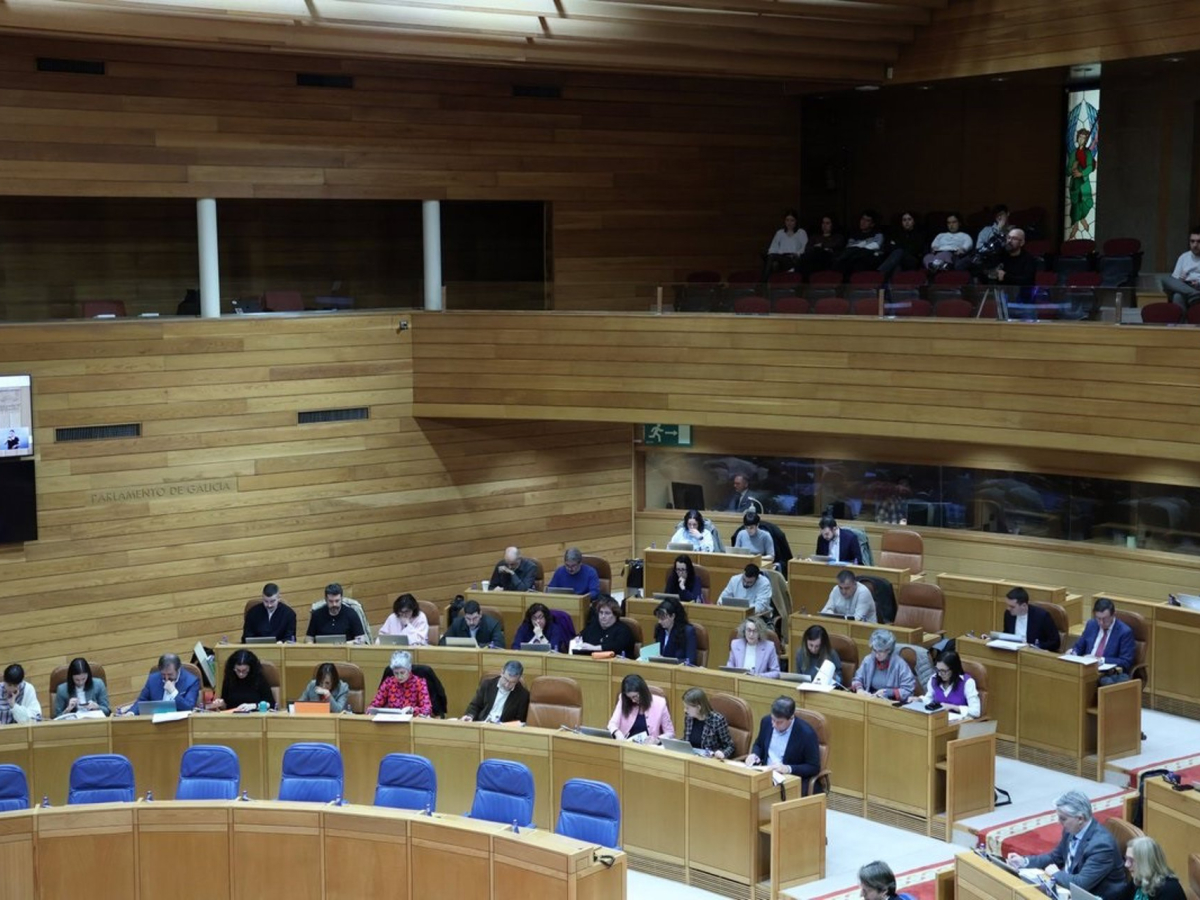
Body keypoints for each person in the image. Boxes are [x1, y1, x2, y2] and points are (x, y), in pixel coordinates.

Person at [1006, 790, 1126, 900]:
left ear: (1080, 818)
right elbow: (1055, 857)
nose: (1059, 822)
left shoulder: (1101, 846)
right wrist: (1024, 862)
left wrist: (1056, 873)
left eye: (1063, 819)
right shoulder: (1072, 829)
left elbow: (1081, 884)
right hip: (1069, 889)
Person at [746, 696, 820, 792]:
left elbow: (813, 767)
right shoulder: (766, 721)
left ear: (791, 718)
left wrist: (787, 768)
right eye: (773, 719)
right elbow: (758, 745)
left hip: (789, 780)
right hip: (765, 774)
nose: (774, 725)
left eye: (779, 722)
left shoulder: (806, 733)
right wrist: (754, 754)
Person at [1068, 597, 1136, 685]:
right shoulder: (1091, 624)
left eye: (1105, 619)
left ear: (1113, 615)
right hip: (1087, 670)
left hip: (1108, 673)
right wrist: (1073, 652)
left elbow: (1126, 662)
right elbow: (1079, 647)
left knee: (1105, 682)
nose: (1101, 622)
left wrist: (1100, 660)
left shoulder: (1124, 632)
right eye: (1098, 618)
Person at [124, 653, 200, 714]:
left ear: (178, 669)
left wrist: (173, 692)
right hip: (154, 720)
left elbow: (189, 707)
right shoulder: (153, 679)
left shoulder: (191, 681)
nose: (166, 678)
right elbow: (142, 700)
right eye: (163, 674)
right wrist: (131, 713)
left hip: (179, 724)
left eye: (170, 674)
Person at [607, 673, 674, 742]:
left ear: (643, 692)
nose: (633, 700)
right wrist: (617, 733)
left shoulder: (660, 703)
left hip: (649, 746)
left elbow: (670, 733)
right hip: (626, 744)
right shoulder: (623, 700)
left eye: (635, 696)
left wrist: (656, 740)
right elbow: (612, 724)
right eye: (630, 698)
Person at [851, 629, 915, 701]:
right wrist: (859, 689)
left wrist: (888, 692)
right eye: (874, 650)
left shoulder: (900, 665)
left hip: (890, 703)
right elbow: (857, 679)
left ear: (889, 650)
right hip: (869, 700)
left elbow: (908, 690)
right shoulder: (868, 660)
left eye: (880, 651)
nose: (877, 655)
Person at [462, 660, 529, 723]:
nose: (507, 685)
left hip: (502, 728)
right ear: (502, 672)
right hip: (483, 723)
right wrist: (470, 716)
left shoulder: (523, 695)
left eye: (512, 682)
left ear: (519, 679)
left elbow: (519, 720)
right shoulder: (487, 685)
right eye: (506, 680)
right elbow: (475, 706)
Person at [368, 650, 433, 716]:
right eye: (396, 673)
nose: (399, 676)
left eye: (402, 673)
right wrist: (370, 711)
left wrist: (412, 710)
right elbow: (374, 705)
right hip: (391, 719)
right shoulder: (388, 682)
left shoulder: (420, 683)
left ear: (409, 670)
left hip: (411, 719)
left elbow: (427, 709)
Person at [209, 649, 274, 712]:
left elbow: (271, 704)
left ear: (250, 668)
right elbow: (226, 706)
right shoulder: (230, 679)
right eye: (238, 670)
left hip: (255, 716)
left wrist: (253, 706)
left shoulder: (258, 679)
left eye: (244, 670)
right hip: (233, 716)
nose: (241, 674)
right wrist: (221, 704)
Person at [1124, 835, 1186, 900]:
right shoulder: (1139, 878)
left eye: (1131, 860)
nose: (1126, 864)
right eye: (1126, 858)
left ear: (1147, 862)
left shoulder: (1170, 890)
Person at [680, 688, 735, 758]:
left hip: (709, 759)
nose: (685, 710)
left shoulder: (717, 720)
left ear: (698, 707)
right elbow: (686, 740)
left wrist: (723, 753)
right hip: (691, 757)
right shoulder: (689, 718)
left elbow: (730, 746)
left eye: (687, 708)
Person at [926, 651, 980, 718]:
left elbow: (976, 711)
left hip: (959, 721)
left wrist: (953, 707)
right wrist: (919, 700)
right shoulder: (934, 679)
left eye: (944, 671)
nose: (939, 674)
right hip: (938, 720)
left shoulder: (967, 682)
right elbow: (928, 699)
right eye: (938, 670)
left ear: (954, 669)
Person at [835, 210, 887, 275]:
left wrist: (858, 247)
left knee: (859, 260)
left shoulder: (878, 234)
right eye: (862, 219)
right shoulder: (854, 234)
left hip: (870, 258)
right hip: (853, 257)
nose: (863, 222)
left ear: (872, 224)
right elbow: (849, 248)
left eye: (867, 221)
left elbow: (875, 246)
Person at [879, 210, 927, 277]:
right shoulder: (896, 233)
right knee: (897, 265)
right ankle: (889, 282)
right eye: (904, 220)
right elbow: (888, 248)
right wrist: (901, 247)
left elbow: (914, 250)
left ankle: (880, 274)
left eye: (909, 219)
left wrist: (897, 246)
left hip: (912, 261)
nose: (907, 222)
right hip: (897, 260)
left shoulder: (919, 234)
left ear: (914, 221)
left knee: (899, 252)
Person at [763, 208, 808, 279]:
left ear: (796, 221)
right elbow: (773, 248)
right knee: (772, 261)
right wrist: (774, 255)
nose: (789, 223)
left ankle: (763, 281)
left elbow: (804, 248)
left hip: (793, 259)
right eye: (787, 220)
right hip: (781, 258)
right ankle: (767, 281)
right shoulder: (780, 233)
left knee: (772, 260)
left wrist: (797, 254)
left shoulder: (801, 232)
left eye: (792, 220)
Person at [1161, 227, 1200, 309]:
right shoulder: (1184, 257)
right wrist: (1181, 279)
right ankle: (1195, 295)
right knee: (1165, 279)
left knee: (1177, 296)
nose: (1195, 245)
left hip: (1198, 285)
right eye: (1192, 241)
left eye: (1199, 242)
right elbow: (1176, 280)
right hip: (1185, 285)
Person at [1067, 129, 1096, 240]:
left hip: (1084, 183)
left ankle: (1082, 219)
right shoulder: (1073, 153)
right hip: (1075, 184)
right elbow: (1067, 170)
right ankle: (1075, 227)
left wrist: (1081, 173)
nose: (1081, 140)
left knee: (1088, 202)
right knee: (1075, 204)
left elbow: (1090, 166)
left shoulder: (1087, 153)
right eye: (1080, 137)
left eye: (1084, 138)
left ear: (1086, 140)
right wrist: (1072, 168)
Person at [440, 599, 504, 647]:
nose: (471, 622)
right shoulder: (457, 623)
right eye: (468, 619)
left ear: (480, 614)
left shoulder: (493, 625)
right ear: (464, 616)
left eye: (475, 618)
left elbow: (499, 645)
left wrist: (479, 646)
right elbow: (442, 642)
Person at [654, 598, 697, 665]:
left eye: (663, 618)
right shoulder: (660, 630)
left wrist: (666, 661)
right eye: (658, 618)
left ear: (673, 616)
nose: (659, 621)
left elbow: (690, 661)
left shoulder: (687, 632)